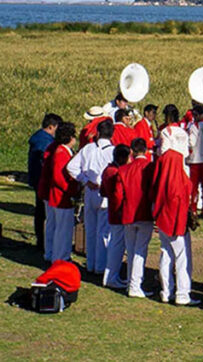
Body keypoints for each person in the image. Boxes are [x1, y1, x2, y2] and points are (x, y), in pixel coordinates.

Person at [150, 125, 198, 305]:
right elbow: (186, 194)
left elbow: (154, 188)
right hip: (176, 219)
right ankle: (182, 294)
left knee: (165, 254)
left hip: (162, 217)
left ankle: (166, 291)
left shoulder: (161, 166)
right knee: (181, 256)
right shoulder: (180, 174)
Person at [67, 118, 115, 274]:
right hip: (105, 194)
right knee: (103, 231)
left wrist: (86, 180)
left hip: (90, 191)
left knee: (91, 229)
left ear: (98, 133)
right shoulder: (112, 151)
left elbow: (71, 167)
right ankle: (100, 266)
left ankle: (91, 264)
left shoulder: (87, 148)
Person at [119, 138, 154, 298]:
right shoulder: (150, 167)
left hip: (128, 212)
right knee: (140, 250)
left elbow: (119, 194)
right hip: (144, 212)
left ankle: (130, 281)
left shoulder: (124, 170)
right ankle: (134, 284)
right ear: (146, 150)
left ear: (131, 152)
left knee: (131, 249)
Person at [41, 122, 78, 263]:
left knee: (60, 227)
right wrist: (72, 190)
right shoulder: (61, 153)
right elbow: (58, 177)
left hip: (60, 196)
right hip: (62, 196)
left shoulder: (60, 151)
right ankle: (60, 257)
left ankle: (58, 255)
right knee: (63, 229)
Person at [28, 113, 61, 251]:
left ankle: (41, 240)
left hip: (36, 178)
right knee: (44, 212)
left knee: (40, 211)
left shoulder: (38, 138)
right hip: (42, 179)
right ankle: (43, 241)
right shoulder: (45, 142)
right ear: (51, 127)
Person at [100, 144, 131, 289]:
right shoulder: (116, 171)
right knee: (117, 246)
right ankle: (111, 277)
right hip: (118, 212)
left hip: (113, 211)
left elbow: (103, 191)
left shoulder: (107, 170)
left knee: (116, 244)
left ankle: (113, 276)